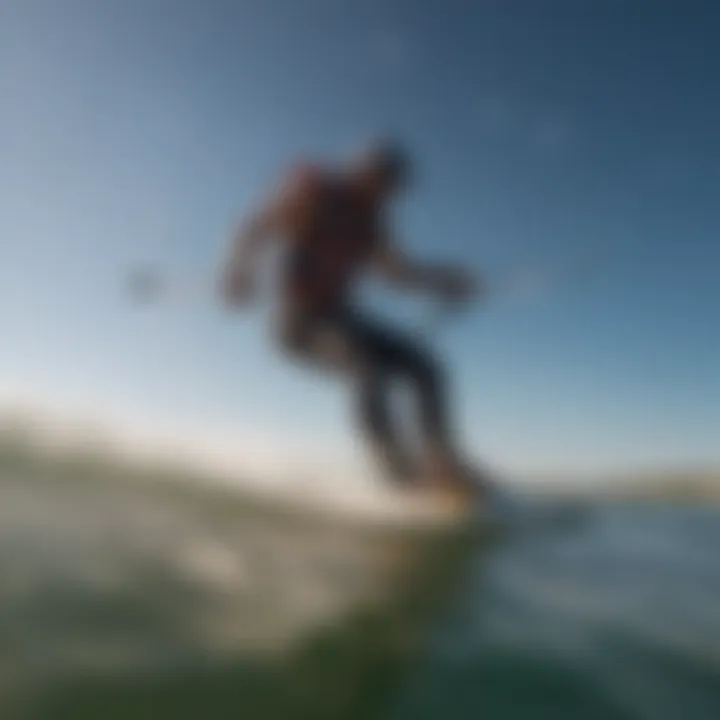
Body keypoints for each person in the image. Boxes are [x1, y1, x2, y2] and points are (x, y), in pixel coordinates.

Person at [220, 139, 487, 507]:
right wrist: (238, 270)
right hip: (299, 323)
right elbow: (257, 226)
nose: (387, 196)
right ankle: (396, 470)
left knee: (426, 366)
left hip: (342, 320)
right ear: (362, 172)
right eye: (383, 183)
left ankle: (443, 461)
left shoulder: (371, 225)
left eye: (393, 190)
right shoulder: (318, 194)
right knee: (367, 369)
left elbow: (399, 275)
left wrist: (446, 281)